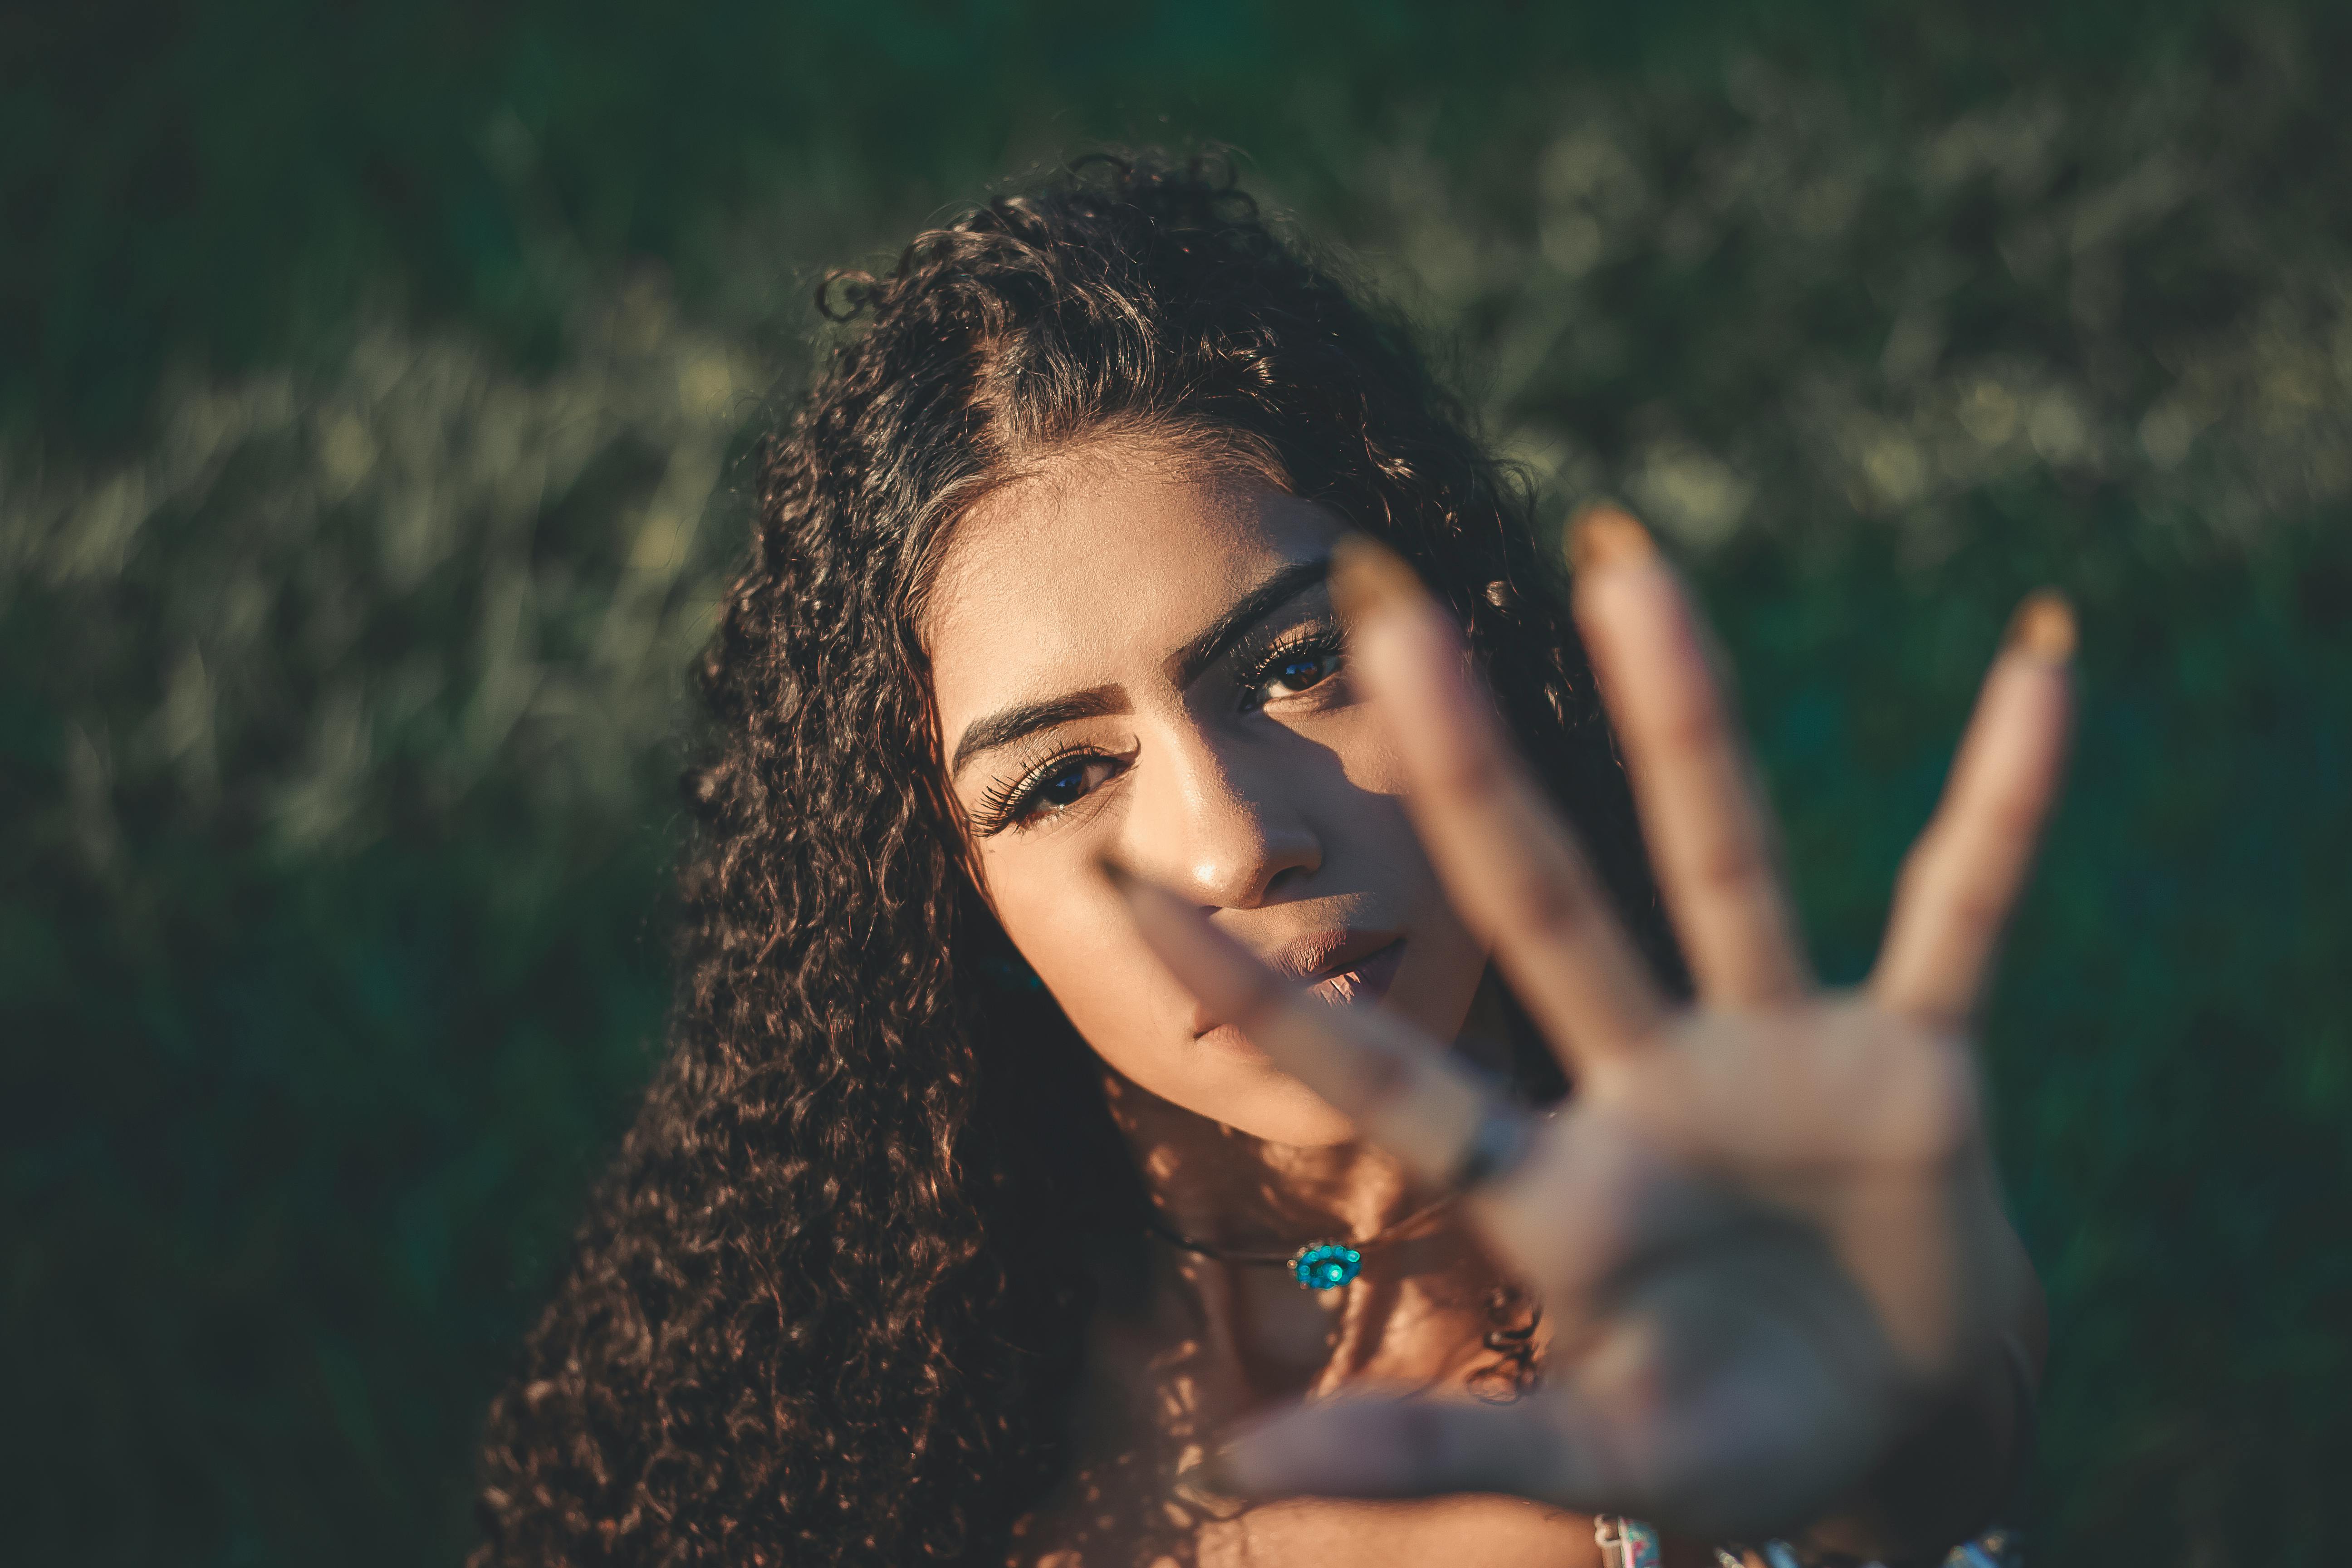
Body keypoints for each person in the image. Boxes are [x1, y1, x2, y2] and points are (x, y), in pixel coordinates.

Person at [470, 153, 2066, 1568]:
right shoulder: (835, 1374)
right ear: (940, 889)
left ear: (1472, 646)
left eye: (1299, 664)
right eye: (1061, 780)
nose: (1234, 847)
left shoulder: (1740, 1308)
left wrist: (1871, 1494)